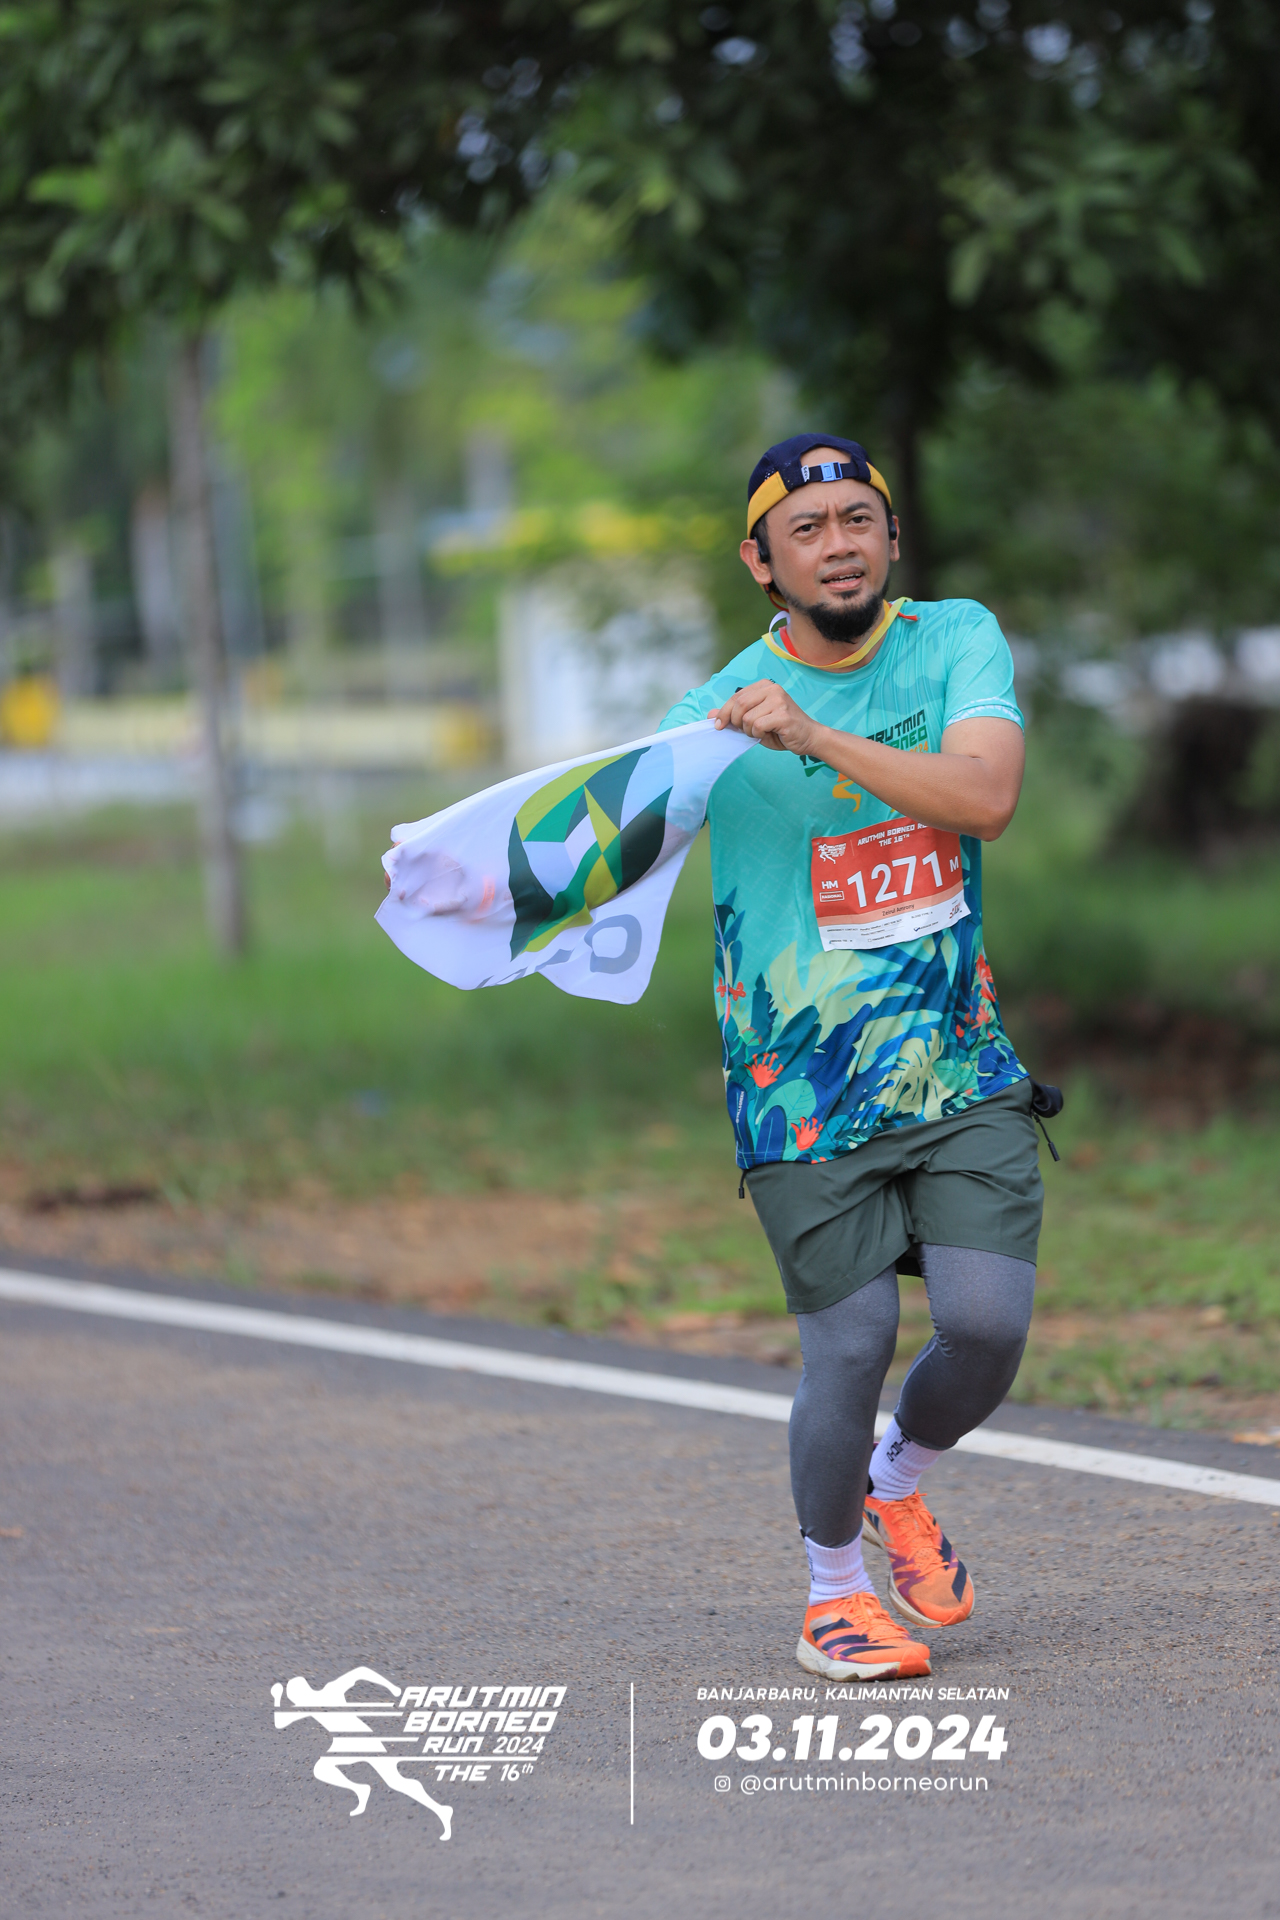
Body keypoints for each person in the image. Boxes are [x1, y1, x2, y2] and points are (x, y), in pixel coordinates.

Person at [659, 434, 1042, 1681]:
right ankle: (830, 1597)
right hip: (799, 1088)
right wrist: (478, 881)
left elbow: (984, 799)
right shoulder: (713, 714)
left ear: (890, 537)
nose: (837, 545)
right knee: (851, 1340)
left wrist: (814, 736)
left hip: (953, 1064)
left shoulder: (953, 641)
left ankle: (896, 1479)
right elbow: (595, 840)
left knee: (984, 1326)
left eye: (855, 520)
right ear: (759, 563)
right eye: (806, 529)